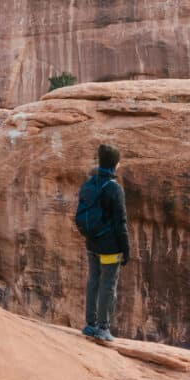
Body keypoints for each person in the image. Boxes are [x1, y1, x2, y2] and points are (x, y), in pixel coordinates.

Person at [80, 143, 130, 342]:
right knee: (108, 285)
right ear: (115, 164)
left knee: (93, 282)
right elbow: (121, 223)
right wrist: (126, 250)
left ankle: (90, 325)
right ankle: (103, 328)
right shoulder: (114, 189)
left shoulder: (89, 183)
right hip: (110, 247)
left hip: (91, 243)